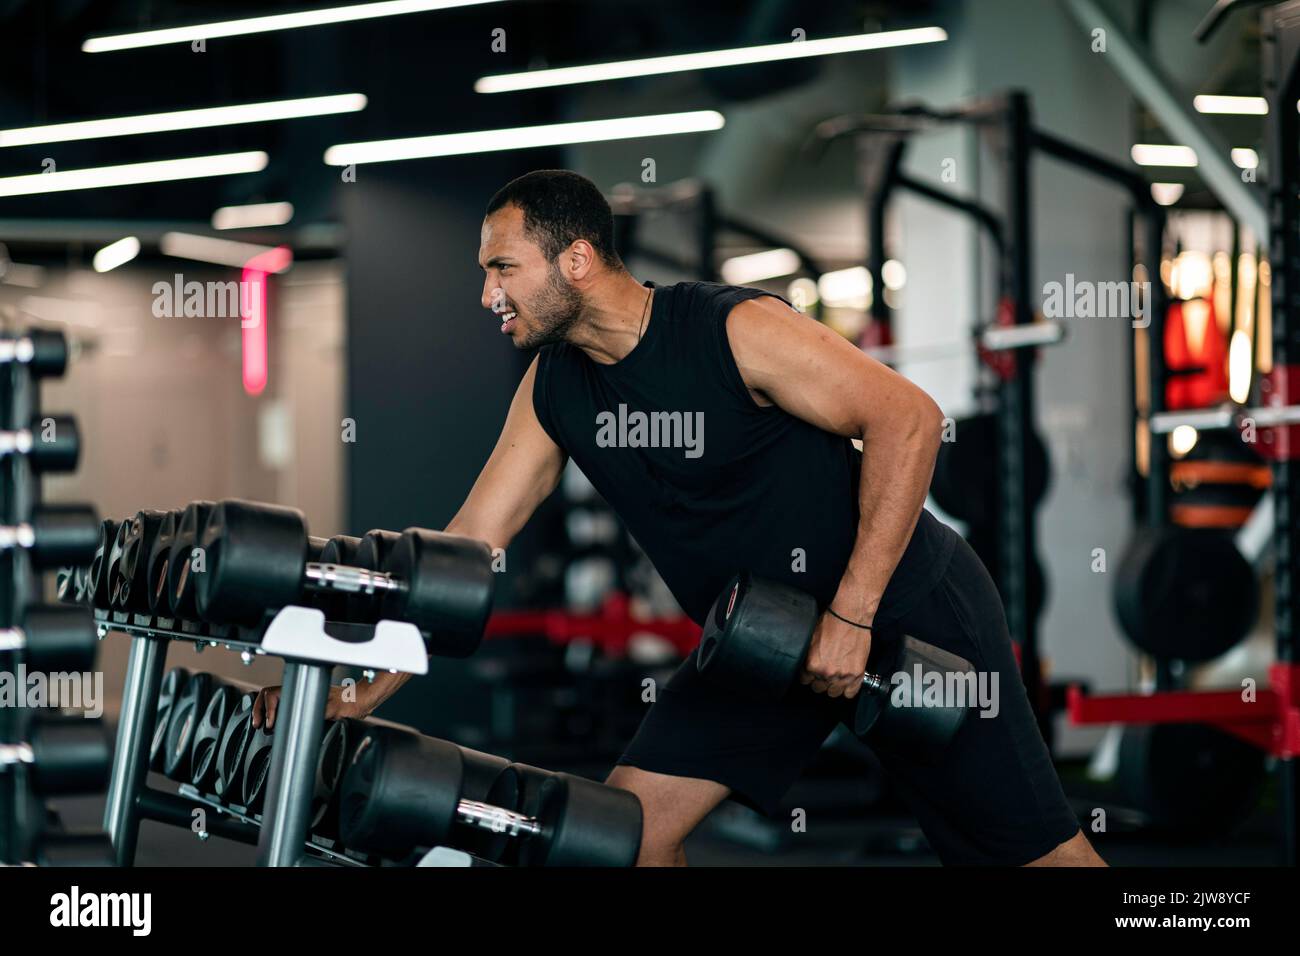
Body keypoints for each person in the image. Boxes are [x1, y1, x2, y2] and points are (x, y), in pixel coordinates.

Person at [254, 168, 1104, 867]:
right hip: (760, 643)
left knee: (1034, 859)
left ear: (576, 260)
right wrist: (362, 687)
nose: (487, 295)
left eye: (502, 268)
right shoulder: (555, 389)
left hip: (907, 609)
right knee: (625, 837)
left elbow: (908, 420)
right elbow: (468, 546)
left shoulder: (732, 331)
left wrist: (852, 614)